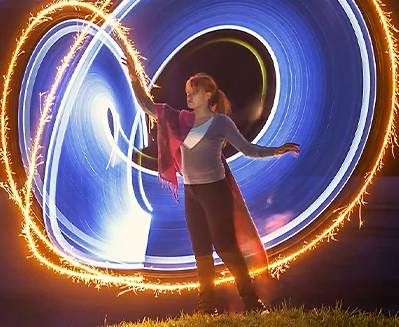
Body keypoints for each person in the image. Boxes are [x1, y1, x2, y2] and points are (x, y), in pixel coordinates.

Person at [121, 55, 300, 315]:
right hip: (191, 193)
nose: (188, 96)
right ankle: (207, 308)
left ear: (208, 94)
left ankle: (251, 302)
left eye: (193, 92)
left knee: (227, 249)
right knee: (201, 252)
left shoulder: (220, 123)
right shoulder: (179, 119)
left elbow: (248, 149)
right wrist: (134, 79)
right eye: (186, 92)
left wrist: (276, 150)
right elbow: (148, 106)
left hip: (216, 193)